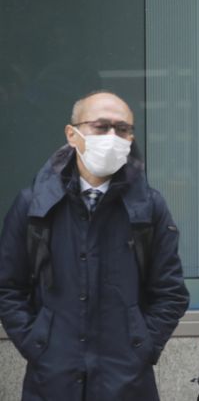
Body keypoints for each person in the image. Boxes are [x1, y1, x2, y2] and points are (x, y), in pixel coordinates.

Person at [0, 91, 189, 400]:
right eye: (101, 127)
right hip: (51, 380)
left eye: (123, 129)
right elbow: (8, 287)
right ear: (72, 134)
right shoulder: (34, 205)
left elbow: (171, 292)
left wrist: (142, 346)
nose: (113, 136)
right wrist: (37, 344)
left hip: (127, 382)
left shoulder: (148, 207)